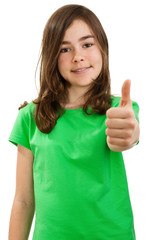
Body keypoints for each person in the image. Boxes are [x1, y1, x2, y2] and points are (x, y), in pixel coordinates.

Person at [8, 4, 140, 240]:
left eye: (87, 44)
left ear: (102, 48)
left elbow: (128, 134)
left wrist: (129, 133)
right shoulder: (30, 116)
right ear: (52, 57)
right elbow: (24, 200)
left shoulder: (118, 110)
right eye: (65, 49)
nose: (78, 56)